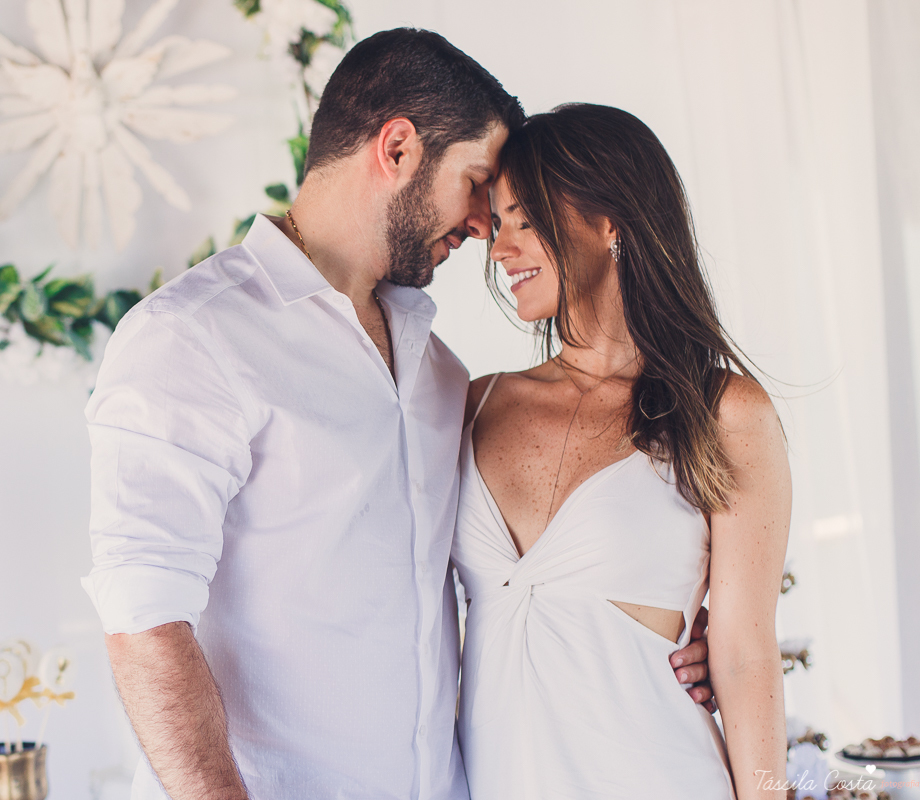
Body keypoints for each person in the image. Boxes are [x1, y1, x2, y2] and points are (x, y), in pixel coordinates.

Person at [81, 32, 714, 800]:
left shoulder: (441, 375)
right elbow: (145, 622)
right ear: (399, 147)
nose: (487, 226)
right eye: (478, 182)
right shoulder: (192, 336)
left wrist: (684, 621)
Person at [453, 103, 790, 799]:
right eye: (497, 222)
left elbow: (747, 660)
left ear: (611, 222)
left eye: (524, 218)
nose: (500, 247)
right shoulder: (472, 404)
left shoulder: (725, 412)